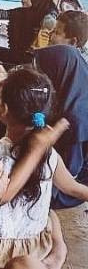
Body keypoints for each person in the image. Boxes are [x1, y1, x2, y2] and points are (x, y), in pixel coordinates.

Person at [0, 68, 88, 267]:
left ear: (2, 110)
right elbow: (72, 188)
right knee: (50, 214)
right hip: (31, 243)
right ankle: (57, 248)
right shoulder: (49, 154)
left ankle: (57, 253)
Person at [32, 45, 88, 208]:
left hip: (72, 185)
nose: (41, 79)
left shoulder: (76, 118)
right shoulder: (75, 91)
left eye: (44, 73)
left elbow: (69, 172)